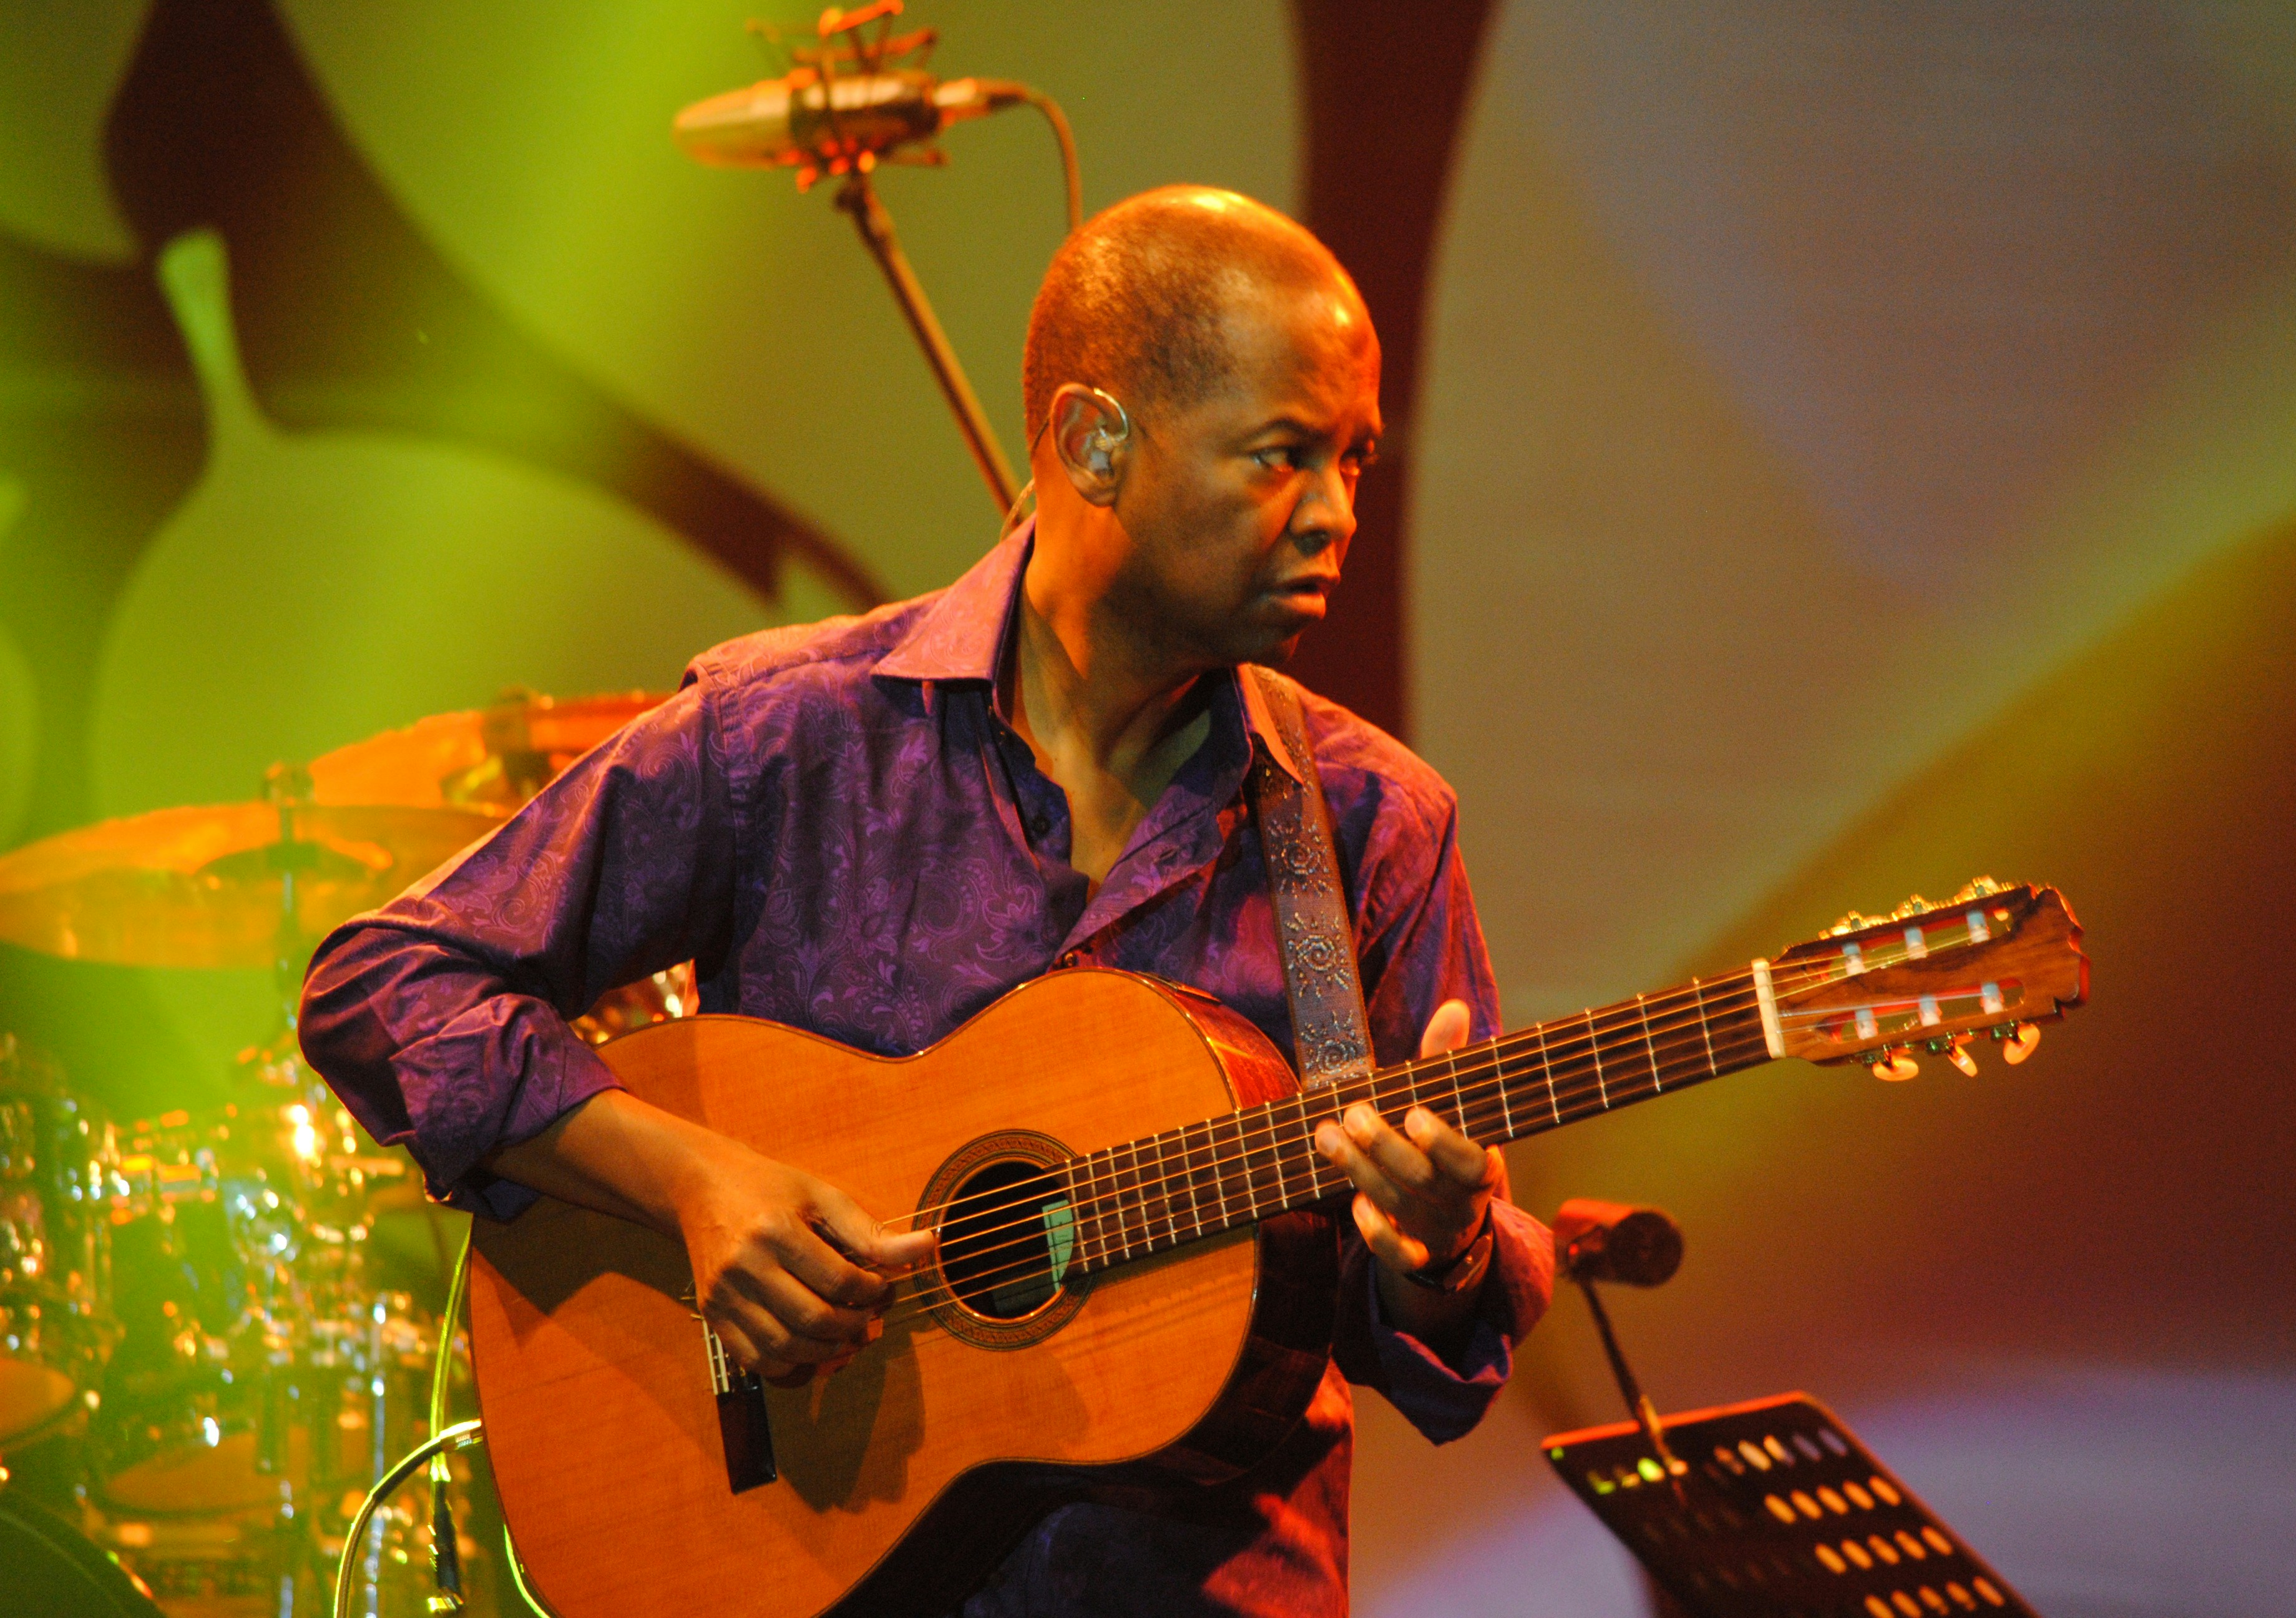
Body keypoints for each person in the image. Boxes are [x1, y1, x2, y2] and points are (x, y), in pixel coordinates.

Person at [300, 185, 1553, 1617]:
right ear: (1095, 441)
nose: (1333, 513)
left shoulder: (1365, 822)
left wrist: (1440, 1257)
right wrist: (699, 1186)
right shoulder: (791, 734)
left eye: (1354, 460)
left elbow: (1443, 1345)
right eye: (1282, 457)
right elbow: (386, 986)